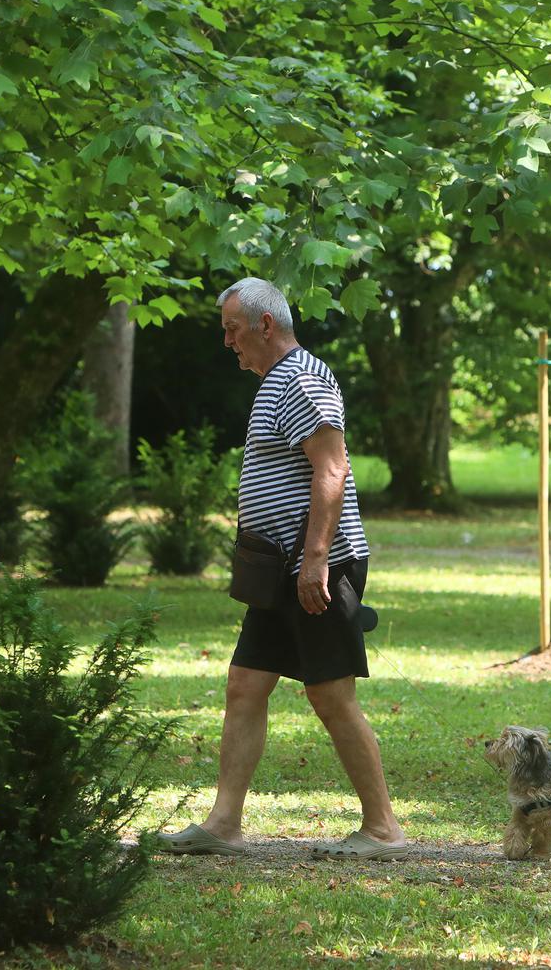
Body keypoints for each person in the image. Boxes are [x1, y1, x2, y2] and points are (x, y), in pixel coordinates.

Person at [159, 277, 409, 861]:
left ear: (264, 325)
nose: (227, 342)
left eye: (232, 329)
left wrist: (315, 561)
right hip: (280, 572)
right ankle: (224, 824)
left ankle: (383, 829)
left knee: (330, 696)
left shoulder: (300, 380)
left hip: (316, 568)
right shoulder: (278, 382)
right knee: (245, 686)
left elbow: (332, 472)